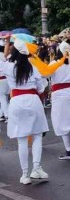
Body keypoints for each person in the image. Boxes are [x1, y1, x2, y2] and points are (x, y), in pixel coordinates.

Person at [1, 36, 48, 184]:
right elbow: (41, 88)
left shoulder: (8, 67)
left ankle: (25, 174)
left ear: (14, 53)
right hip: (33, 102)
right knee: (37, 136)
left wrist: (7, 44)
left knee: (22, 140)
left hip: (16, 103)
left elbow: (2, 61)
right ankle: (37, 168)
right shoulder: (33, 68)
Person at [49, 43, 70, 160]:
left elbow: (46, 74)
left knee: (60, 121)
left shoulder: (55, 64)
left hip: (59, 96)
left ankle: (69, 150)